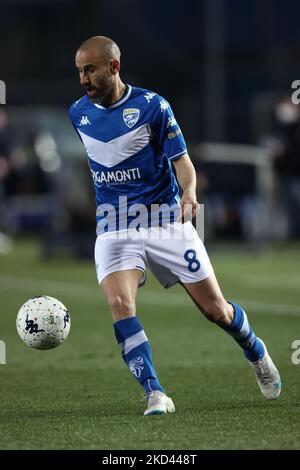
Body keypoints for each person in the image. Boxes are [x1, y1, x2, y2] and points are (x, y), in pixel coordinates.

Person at [69, 36, 281, 416]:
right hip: (114, 224)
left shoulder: (153, 106)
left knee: (216, 311)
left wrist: (189, 193)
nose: (83, 78)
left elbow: (182, 160)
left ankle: (255, 350)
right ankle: (155, 392)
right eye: (80, 71)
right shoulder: (77, 114)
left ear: (114, 67)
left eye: (90, 69)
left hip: (165, 220)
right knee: (120, 303)